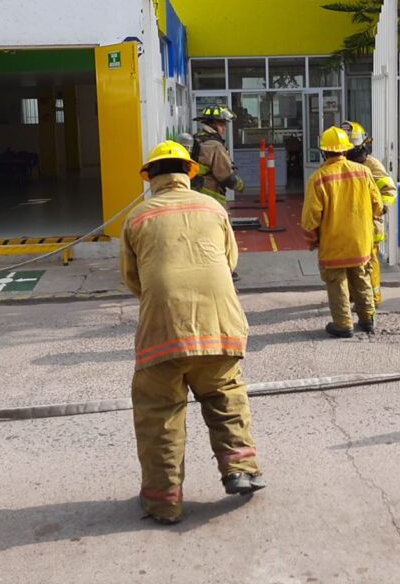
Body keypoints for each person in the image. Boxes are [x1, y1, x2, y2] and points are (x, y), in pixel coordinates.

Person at [121, 140, 264, 525]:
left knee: (159, 414)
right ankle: (241, 470)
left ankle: (163, 501)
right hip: (220, 326)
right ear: (189, 172)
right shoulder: (213, 208)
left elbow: (133, 279)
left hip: (163, 332)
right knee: (225, 395)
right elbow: (229, 261)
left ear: (150, 177)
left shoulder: (137, 218)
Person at [301, 126, 383, 338]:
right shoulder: (363, 172)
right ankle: (368, 319)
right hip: (361, 242)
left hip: (333, 244)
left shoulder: (319, 178)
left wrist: (312, 240)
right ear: (346, 150)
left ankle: (343, 324)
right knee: (362, 279)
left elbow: (310, 219)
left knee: (337, 283)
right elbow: (377, 205)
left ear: (324, 152)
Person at [342, 121, 398, 308]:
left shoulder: (371, 165)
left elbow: (389, 190)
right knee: (350, 264)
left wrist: (380, 208)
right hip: (349, 224)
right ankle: (354, 295)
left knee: (369, 264)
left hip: (369, 224)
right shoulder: (343, 165)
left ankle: (372, 299)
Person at [190, 106, 245, 207]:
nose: (224, 128)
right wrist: (241, 186)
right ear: (212, 124)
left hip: (194, 192)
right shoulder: (215, 145)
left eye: (224, 124)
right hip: (211, 195)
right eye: (221, 124)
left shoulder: (196, 138)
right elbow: (225, 175)